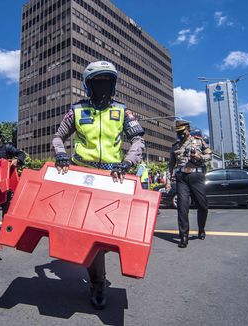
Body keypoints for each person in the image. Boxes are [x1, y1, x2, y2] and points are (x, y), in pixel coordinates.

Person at [52, 60, 145, 309]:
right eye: (98, 82)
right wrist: (60, 154)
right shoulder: (76, 110)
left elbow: (137, 139)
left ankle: (97, 271)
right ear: (88, 85)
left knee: (109, 232)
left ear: (113, 85)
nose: (103, 86)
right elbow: (58, 136)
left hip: (113, 177)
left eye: (108, 82)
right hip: (82, 174)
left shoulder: (123, 111)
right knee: (90, 233)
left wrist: (127, 162)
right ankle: (98, 282)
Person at [166, 120, 212, 248]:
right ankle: (184, 236)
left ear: (188, 129)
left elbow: (209, 155)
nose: (180, 134)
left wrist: (199, 157)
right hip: (181, 178)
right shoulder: (175, 146)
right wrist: (168, 181)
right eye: (178, 132)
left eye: (182, 131)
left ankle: (201, 229)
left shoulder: (199, 141)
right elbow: (170, 165)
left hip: (196, 176)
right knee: (182, 207)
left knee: (203, 205)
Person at [0, 127, 26, 217]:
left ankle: (4, 229)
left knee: (6, 207)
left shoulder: (7, 147)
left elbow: (21, 154)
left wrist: (16, 160)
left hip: (6, 182)